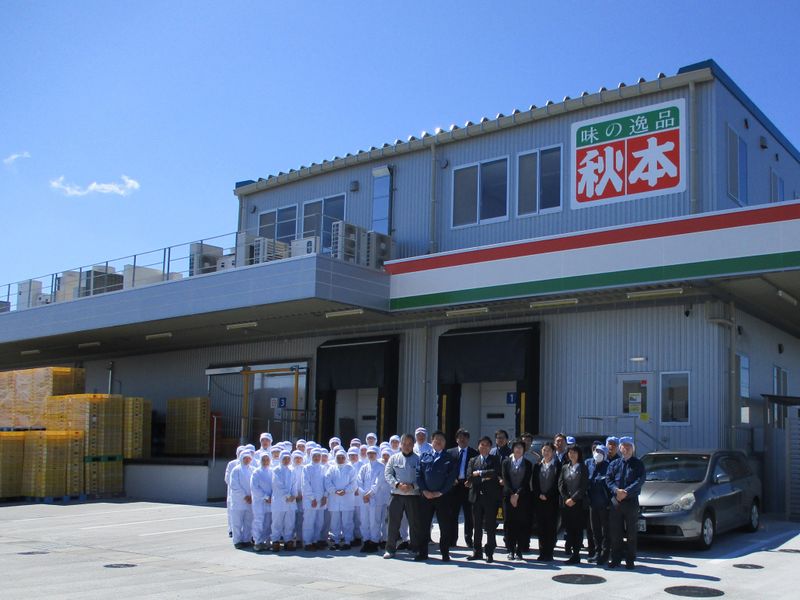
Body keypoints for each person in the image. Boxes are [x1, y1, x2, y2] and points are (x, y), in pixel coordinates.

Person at [605, 436, 646, 570]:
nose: (626, 448)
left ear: (632, 449)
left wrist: (626, 492)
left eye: (629, 446)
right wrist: (616, 490)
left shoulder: (638, 464)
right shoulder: (614, 464)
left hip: (631, 501)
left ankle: (630, 559)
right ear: (620, 448)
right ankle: (616, 559)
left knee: (631, 533)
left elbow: (640, 480)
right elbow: (608, 479)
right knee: (615, 532)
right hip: (616, 501)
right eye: (624, 446)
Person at [416, 430, 457, 562]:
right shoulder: (424, 456)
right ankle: (422, 553)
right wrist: (424, 490)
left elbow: (451, 478)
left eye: (441, 440)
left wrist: (440, 492)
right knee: (423, 525)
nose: (438, 442)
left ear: (445, 443)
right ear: (431, 441)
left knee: (445, 526)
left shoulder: (449, 458)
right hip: (426, 496)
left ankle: (445, 553)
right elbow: (418, 474)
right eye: (436, 439)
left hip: (442, 497)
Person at [383, 433, 422, 559]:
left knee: (414, 524)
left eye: (409, 444)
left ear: (413, 445)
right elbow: (388, 474)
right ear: (400, 444)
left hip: (413, 495)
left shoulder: (419, 459)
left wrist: (413, 486)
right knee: (393, 524)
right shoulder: (394, 458)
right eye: (404, 444)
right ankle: (390, 549)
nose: (406, 446)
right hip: (396, 495)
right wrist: (397, 484)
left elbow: (422, 477)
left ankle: (415, 548)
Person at [466, 436, 502, 563]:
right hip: (476, 497)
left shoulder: (495, 459)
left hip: (490, 498)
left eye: (487, 445)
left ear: (490, 447)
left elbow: (494, 473)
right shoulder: (473, 460)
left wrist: (479, 474)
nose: (484, 447)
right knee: (477, 526)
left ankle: (489, 552)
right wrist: (483, 477)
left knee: (490, 526)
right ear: (478, 446)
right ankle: (477, 552)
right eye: (482, 444)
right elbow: (470, 477)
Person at [501, 439, 533, 560]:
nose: (518, 449)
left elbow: (526, 481)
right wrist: (512, 494)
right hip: (508, 497)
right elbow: (506, 479)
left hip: (522, 497)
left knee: (521, 523)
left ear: (524, 450)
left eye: (521, 447)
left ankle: (519, 549)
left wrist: (517, 494)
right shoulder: (506, 462)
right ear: (513, 449)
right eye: (516, 447)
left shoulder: (528, 464)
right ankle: (510, 549)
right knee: (509, 523)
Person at [558, 443, 588, 564]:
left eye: (574, 452)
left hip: (578, 503)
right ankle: (570, 551)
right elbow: (561, 484)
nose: (572, 454)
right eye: (570, 452)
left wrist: (574, 499)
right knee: (569, 528)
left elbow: (583, 486)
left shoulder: (583, 467)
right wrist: (566, 498)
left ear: (579, 454)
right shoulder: (565, 467)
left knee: (577, 529)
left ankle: (576, 554)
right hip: (566, 503)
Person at [447, 428, 478, 548]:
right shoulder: (450, 452)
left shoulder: (474, 453)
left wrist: (471, 481)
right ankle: (452, 539)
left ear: (468, 439)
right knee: (452, 514)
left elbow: (476, 470)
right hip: (454, 486)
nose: (462, 439)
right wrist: (451, 479)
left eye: (465, 437)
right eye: (460, 437)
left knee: (469, 515)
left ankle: (468, 538)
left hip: (467, 486)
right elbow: (447, 469)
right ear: (456, 439)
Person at [532, 442, 561, 561]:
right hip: (539, 500)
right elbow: (534, 483)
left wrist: (547, 495)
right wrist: (539, 494)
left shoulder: (557, 466)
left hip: (552, 501)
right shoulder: (538, 466)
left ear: (553, 452)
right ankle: (542, 552)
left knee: (551, 527)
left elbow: (557, 483)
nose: (546, 452)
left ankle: (549, 552)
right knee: (541, 527)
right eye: (544, 450)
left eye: (548, 450)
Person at [325, 448, 357, 550]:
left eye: (343, 457)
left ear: (345, 458)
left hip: (347, 499)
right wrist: (334, 491)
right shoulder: (331, 469)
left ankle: (347, 541)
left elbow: (354, 483)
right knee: (335, 522)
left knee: (347, 521)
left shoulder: (350, 468)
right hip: (334, 499)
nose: (340, 459)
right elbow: (327, 482)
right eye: (338, 457)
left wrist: (345, 490)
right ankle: (336, 541)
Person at [357, 446, 385, 553]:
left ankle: (374, 542)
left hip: (376, 498)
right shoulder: (364, 467)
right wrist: (363, 494)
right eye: (369, 453)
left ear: (377, 454)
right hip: (364, 499)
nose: (371, 455)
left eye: (373, 453)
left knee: (375, 521)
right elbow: (359, 481)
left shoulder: (381, 467)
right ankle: (366, 541)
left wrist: (369, 494)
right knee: (364, 521)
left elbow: (378, 483)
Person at [587, 444, 612, 565]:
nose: (598, 454)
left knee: (605, 531)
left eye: (601, 452)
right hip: (592, 503)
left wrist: (609, 502)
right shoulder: (589, 464)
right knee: (595, 530)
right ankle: (597, 552)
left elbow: (609, 484)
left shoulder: (608, 466)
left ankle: (605, 554)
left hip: (604, 503)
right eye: (596, 451)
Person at [271, 450, 298, 551]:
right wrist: (288, 495)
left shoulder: (292, 470)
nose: (286, 460)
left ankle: (288, 540)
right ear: (280, 459)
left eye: (288, 458)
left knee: (289, 522)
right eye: (284, 458)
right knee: (277, 522)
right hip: (279, 501)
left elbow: (295, 484)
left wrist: (294, 495)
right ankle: (275, 541)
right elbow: (277, 484)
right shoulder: (276, 470)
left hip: (291, 502)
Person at [301, 448, 327, 550]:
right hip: (310, 500)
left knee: (319, 522)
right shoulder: (306, 468)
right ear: (311, 456)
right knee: (309, 521)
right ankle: (308, 542)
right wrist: (312, 498)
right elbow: (305, 484)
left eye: (318, 456)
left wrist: (325, 496)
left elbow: (326, 483)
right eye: (314, 456)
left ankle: (315, 540)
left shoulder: (323, 468)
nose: (316, 458)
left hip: (321, 500)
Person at [229, 448, 255, 549]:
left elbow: (255, 485)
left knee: (248, 522)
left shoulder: (252, 470)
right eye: (245, 458)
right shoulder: (236, 470)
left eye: (249, 458)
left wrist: (252, 496)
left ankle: (246, 540)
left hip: (250, 501)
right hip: (238, 501)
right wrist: (245, 496)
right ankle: (237, 541)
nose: (247, 460)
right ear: (241, 458)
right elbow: (234, 485)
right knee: (237, 522)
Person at [251, 453, 273, 552]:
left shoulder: (271, 472)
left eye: (267, 459)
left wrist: (272, 497)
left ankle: (266, 541)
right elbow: (254, 488)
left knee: (268, 522)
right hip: (259, 502)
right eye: (263, 459)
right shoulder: (256, 472)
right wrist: (265, 497)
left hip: (270, 502)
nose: (265, 462)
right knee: (258, 521)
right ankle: (257, 542)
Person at [225, 445, 245, 538]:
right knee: (232, 513)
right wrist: (237, 488)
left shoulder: (248, 464)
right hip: (233, 494)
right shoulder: (232, 464)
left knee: (244, 514)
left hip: (245, 495)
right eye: (239, 452)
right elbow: (227, 478)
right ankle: (231, 530)